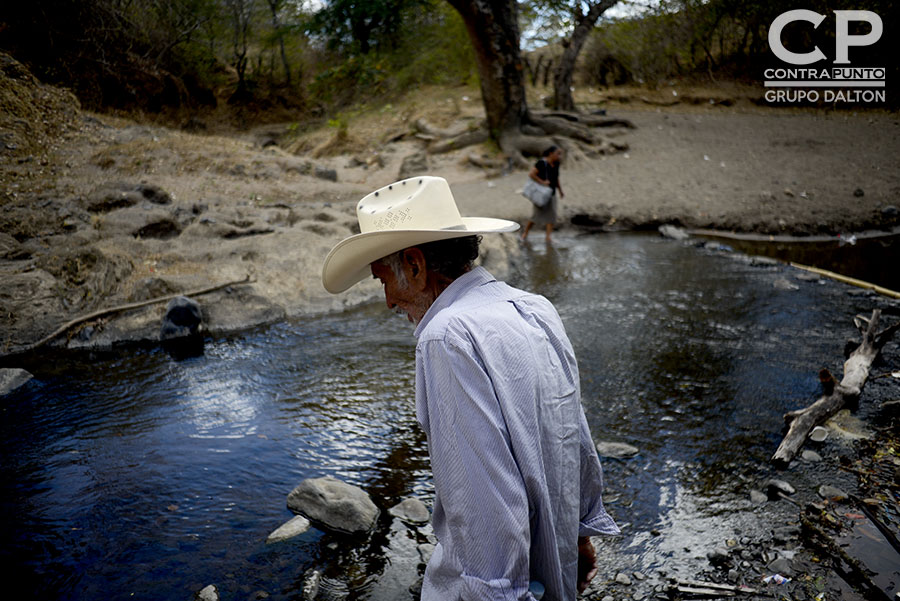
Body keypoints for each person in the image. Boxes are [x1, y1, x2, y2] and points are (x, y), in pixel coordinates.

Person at [322, 176, 618, 600]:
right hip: (553, 564)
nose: (387, 299)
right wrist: (577, 534)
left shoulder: (445, 336)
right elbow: (572, 435)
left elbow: (484, 504)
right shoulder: (535, 307)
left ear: (415, 265)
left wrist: (493, 593)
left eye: (382, 278)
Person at [521, 146, 564, 243]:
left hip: (551, 192)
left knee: (552, 215)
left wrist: (560, 190)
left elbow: (556, 178)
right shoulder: (541, 163)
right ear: (550, 153)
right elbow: (531, 174)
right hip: (540, 193)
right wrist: (542, 182)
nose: (559, 156)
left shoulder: (556, 164)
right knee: (536, 215)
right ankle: (525, 233)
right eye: (558, 153)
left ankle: (548, 237)